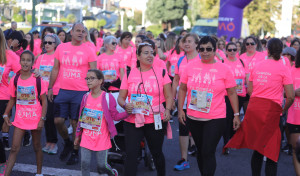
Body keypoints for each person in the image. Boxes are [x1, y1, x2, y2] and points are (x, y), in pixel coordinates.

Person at [225, 38, 295, 176]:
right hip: (272, 112)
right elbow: (291, 96)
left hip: (255, 110)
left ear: (267, 50)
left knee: (257, 149)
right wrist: (283, 109)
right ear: (281, 51)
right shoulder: (283, 68)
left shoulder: (258, 65)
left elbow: (250, 90)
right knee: (272, 152)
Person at [177, 36, 240, 176]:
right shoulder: (190, 67)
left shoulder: (224, 68)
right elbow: (182, 88)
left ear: (215, 50)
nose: (205, 52)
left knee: (208, 151)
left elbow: (232, 92)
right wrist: (180, 109)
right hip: (194, 117)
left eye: (209, 49)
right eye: (202, 49)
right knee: (200, 151)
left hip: (216, 118)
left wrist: (236, 114)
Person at [118, 43, 173, 176]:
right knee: (131, 154)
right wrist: (125, 105)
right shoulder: (130, 73)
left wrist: (168, 110)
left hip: (155, 119)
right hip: (133, 120)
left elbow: (169, 95)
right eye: (146, 53)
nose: (150, 56)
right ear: (138, 56)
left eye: (152, 53)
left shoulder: (162, 72)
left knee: (156, 152)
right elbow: (121, 98)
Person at [48, 22, 97, 165]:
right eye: (78, 30)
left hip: (81, 92)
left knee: (76, 123)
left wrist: (93, 91)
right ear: (71, 32)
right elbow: (55, 69)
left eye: (83, 31)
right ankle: (67, 142)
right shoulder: (61, 47)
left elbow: (93, 72)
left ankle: (75, 151)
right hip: (63, 91)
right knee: (58, 121)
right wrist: (50, 87)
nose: (81, 33)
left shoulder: (89, 50)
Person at [74, 69, 127, 176]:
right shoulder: (85, 97)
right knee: (84, 163)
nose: (88, 81)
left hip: (102, 138)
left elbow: (115, 116)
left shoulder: (108, 97)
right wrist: (77, 135)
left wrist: (128, 112)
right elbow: (81, 118)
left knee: (102, 166)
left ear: (100, 81)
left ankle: (112, 173)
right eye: (87, 78)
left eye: (92, 78)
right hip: (87, 137)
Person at [3, 50, 48, 176]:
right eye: (23, 60)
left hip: (35, 117)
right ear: (20, 61)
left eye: (28, 60)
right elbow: (12, 98)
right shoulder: (15, 79)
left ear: (32, 63)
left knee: (37, 146)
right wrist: (6, 114)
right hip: (20, 118)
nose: (25, 62)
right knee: (14, 148)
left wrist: (42, 119)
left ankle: (39, 173)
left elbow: (44, 101)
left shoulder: (38, 80)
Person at [172, 33, 200, 171]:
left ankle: (201, 152)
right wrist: (172, 99)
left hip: (199, 99)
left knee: (199, 128)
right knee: (183, 127)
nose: (187, 44)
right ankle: (184, 159)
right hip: (183, 99)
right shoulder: (180, 60)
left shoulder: (202, 58)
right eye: (185, 41)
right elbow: (175, 80)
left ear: (196, 44)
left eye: (190, 41)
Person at [34, 34, 61, 155]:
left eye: (50, 42)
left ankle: (53, 143)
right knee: (44, 118)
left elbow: (59, 74)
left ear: (55, 44)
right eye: (45, 42)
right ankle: (48, 142)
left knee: (50, 117)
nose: (47, 45)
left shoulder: (58, 57)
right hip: (41, 91)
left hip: (53, 91)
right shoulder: (41, 57)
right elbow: (36, 72)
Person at [0, 28, 21, 176]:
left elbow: (23, 73)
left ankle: (2, 163)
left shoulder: (10, 55)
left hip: (3, 99)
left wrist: (35, 73)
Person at [222, 42, 249, 155]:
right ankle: (225, 143)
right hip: (227, 95)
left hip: (240, 94)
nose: (232, 52)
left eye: (234, 50)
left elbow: (246, 77)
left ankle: (232, 139)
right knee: (227, 119)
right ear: (226, 51)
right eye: (230, 50)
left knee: (236, 117)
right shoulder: (223, 62)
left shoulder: (241, 62)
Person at [97, 35, 125, 112]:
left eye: (116, 43)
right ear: (106, 44)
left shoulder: (119, 57)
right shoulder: (100, 57)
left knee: (117, 112)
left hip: (116, 88)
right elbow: (96, 74)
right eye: (113, 43)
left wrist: (124, 88)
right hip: (103, 89)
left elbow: (122, 74)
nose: (115, 45)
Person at [287, 52, 300, 175]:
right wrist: (295, 92)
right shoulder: (292, 70)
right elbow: (285, 93)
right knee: (297, 149)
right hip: (295, 115)